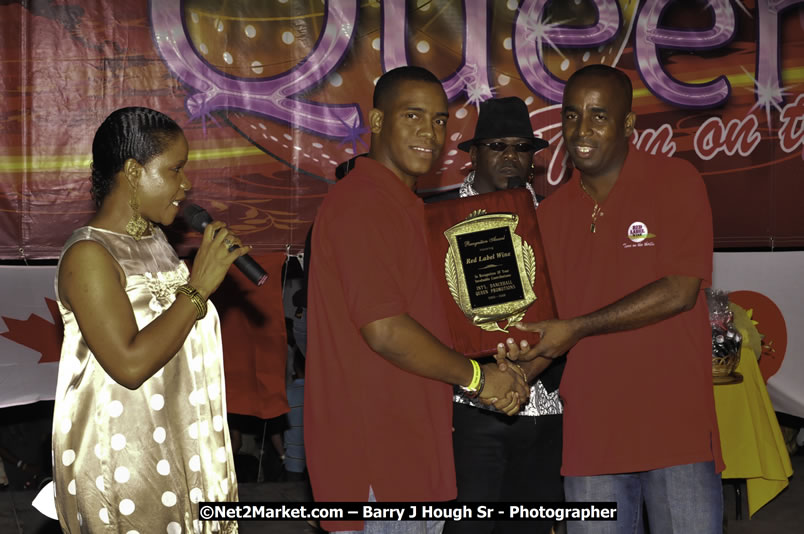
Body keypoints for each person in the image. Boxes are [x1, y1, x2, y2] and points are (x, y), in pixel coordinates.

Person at [499, 65, 724, 533]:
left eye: (599, 116)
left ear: (627, 124)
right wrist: (513, 374)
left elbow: (680, 290)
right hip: (591, 439)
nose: (582, 130)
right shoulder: (553, 214)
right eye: (572, 115)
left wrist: (578, 327)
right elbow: (552, 328)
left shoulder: (675, 181)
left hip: (674, 429)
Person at [304, 66, 529, 534]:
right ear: (378, 121)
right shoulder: (362, 203)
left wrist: (499, 358)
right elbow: (385, 330)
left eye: (440, 120)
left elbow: (432, 323)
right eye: (413, 115)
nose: (430, 132)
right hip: (379, 465)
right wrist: (476, 378)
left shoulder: (407, 207)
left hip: (413, 452)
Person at [51, 107, 247, 533]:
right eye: (175, 169)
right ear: (134, 172)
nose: (186, 182)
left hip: (184, 449)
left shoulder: (157, 241)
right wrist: (198, 289)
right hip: (126, 463)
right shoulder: (90, 255)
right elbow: (130, 365)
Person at [441, 96, 564, 534]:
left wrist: (527, 373)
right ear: (472, 155)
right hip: (469, 403)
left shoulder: (556, 218)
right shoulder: (435, 221)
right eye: (497, 146)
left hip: (543, 403)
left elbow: (575, 313)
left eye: (521, 147)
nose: (511, 157)